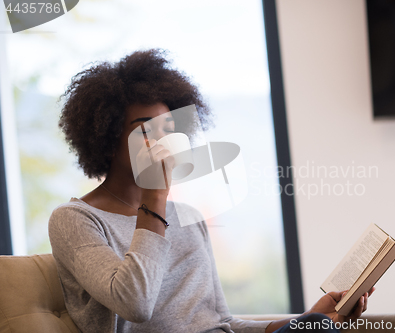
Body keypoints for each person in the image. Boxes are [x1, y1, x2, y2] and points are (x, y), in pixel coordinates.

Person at [49, 49, 373, 333]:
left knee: (317, 328)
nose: (163, 141)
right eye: (145, 129)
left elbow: (222, 323)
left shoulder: (188, 218)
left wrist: (305, 321)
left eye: (170, 129)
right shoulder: (76, 220)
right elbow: (135, 305)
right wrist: (155, 198)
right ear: (106, 137)